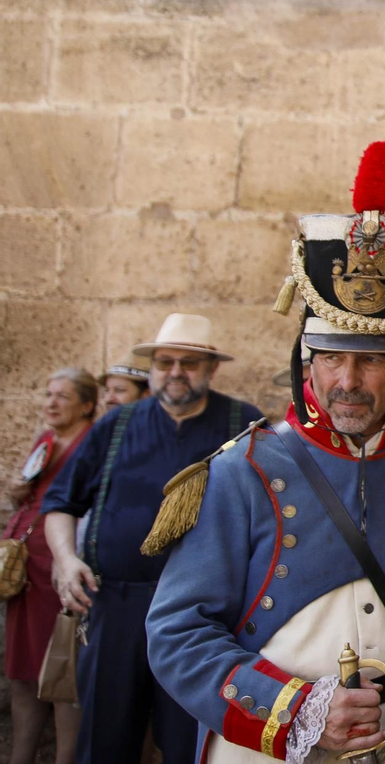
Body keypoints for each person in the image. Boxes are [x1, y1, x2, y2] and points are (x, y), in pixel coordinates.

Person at [144, 141, 385, 763]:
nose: (348, 381)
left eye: (371, 362)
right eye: (331, 357)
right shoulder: (239, 471)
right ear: (307, 362)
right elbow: (177, 634)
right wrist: (296, 711)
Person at [39, 315, 261, 764]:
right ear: (153, 367)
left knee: (191, 744)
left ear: (212, 369)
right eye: (164, 362)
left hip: (207, 619)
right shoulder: (115, 426)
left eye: (189, 363)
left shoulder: (245, 425)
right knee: (104, 742)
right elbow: (61, 503)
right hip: (115, 607)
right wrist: (65, 560)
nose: (175, 372)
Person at [5, 368, 96, 764]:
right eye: (48, 394)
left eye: (62, 396)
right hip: (25, 574)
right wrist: (17, 491)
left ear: (87, 405)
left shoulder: (91, 441)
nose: (51, 403)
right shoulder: (45, 439)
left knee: (61, 674)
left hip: (60, 571)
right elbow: (29, 494)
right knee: (22, 672)